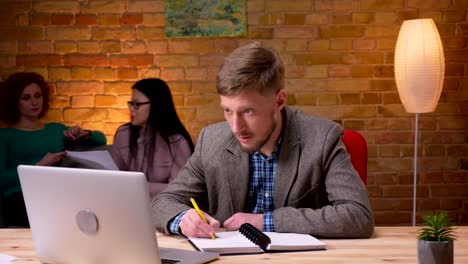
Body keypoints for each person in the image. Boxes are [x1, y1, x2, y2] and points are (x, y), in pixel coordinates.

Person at [152, 42, 374, 238]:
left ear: (279, 101)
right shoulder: (211, 140)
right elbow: (162, 203)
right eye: (227, 111)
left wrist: (267, 221)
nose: (236, 127)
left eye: (248, 112)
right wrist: (182, 218)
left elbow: (358, 215)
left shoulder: (323, 138)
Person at [0, 72, 107, 227]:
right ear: (15, 102)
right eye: (26, 98)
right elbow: (2, 180)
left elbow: (101, 139)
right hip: (21, 196)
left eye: (38, 96)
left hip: (58, 192)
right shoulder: (5, 136)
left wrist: (84, 133)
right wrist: (38, 166)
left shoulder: (55, 130)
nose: (34, 102)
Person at [109, 78, 194, 199]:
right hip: (125, 202)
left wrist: (134, 186)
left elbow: (179, 190)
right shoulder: (123, 134)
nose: (131, 109)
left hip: (162, 208)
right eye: (131, 103)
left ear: (156, 105)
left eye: (137, 104)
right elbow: (112, 177)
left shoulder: (177, 142)